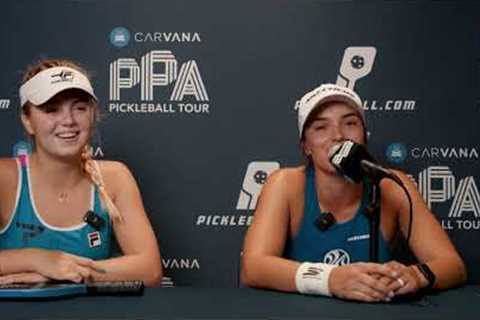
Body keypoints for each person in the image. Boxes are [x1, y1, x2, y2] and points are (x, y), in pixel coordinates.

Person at [240, 83, 466, 302]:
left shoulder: (392, 185)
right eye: (321, 127)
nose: (338, 135)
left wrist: (416, 275)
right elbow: (253, 268)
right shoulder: (285, 184)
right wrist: (331, 280)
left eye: (350, 123)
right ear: (306, 146)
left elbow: (452, 265)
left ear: (364, 136)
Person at [0, 59, 162, 286]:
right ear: (28, 121)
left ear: (93, 115)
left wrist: (62, 274)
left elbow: (149, 269)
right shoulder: (5, 178)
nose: (68, 120)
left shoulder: (115, 177)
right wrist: (39, 259)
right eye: (51, 109)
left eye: (80, 108)